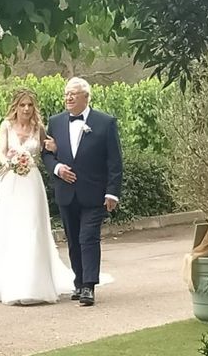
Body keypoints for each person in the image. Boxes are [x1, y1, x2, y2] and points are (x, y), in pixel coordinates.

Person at [0, 89, 74, 305]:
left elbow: (49, 149)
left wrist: (53, 147)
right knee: (9, 229)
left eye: (29, 105)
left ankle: (33, 285)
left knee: (31, 228)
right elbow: (0, 152)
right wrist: (9, 162)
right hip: (9, 181)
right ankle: (7, 283)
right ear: (16, 107)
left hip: (31, 182)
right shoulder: (6, 126)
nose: (26, 109)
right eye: (22, 105)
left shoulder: (38, 128)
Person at [42, 77, 123, 306]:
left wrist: (112, 193)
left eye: (73, 94)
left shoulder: (105, 122)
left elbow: (114, 161)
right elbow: (47, 154)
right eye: (66, 93)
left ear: (86, 97)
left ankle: (89, 286)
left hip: (94, 192)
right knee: (73, 239)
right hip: (66, 192)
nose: (68, 97)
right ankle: (78, 282)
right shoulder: (55, 122)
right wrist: (57, 168)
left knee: (88, 237)